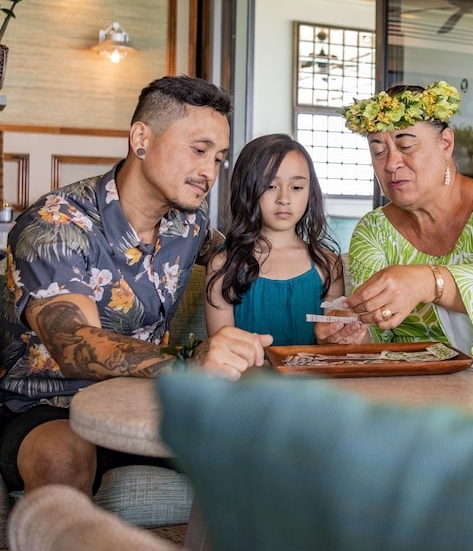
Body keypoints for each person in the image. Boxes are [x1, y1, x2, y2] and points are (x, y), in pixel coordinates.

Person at [0, 75, 273, 497]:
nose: (209, 171)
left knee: (271, 445)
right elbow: (73, 345)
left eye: (218, 158)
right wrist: (188, 362)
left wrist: (332, 297)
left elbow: (241, 261)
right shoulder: (56, 224)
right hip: (47, 406)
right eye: (199, 150)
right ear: (141, 138)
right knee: (61, 455)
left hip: (150, 401)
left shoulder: (190, 223)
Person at [342, 80, 473, 357]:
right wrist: (352, 335)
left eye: (406, 146)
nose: (390, 164)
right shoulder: (373, 230)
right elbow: (377, 334)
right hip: (420, 383)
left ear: (446, 144)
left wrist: (425, 282)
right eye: (378, 151)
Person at [205, 134, 365, 346]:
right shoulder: (224, 265)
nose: (284, 199)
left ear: (310, 192)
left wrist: (339, 336)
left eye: (297, 188)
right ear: (246, 189)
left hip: (314, 379)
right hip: (246, 378)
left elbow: (332, 350)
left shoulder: (327, 264)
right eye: (270, 186)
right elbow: (220, 353)